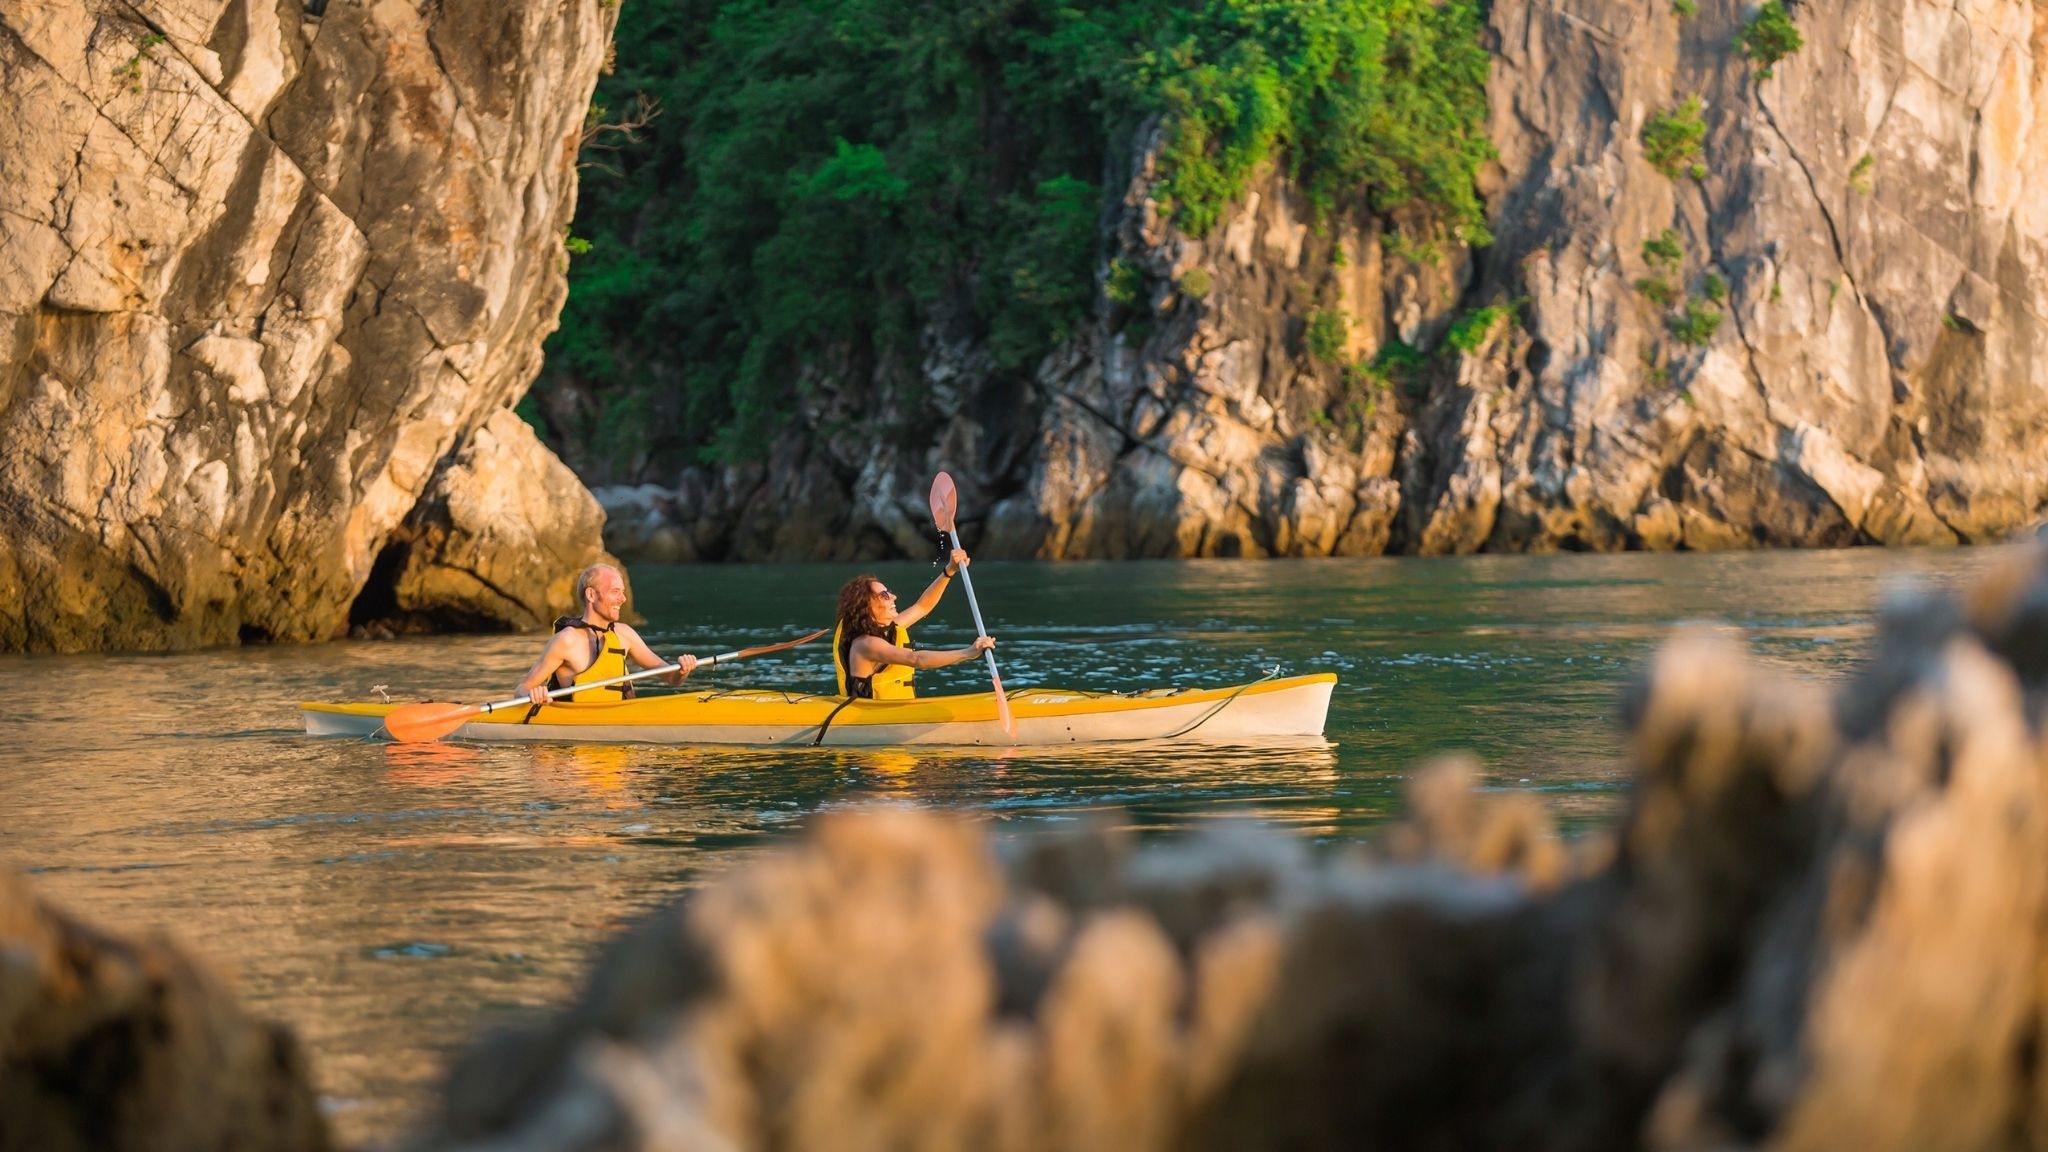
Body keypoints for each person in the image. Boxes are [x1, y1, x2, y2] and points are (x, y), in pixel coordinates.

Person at [519, 564, 697, 704]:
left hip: (621, 723)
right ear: (591, 595)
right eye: (615, 591)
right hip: (576, 733)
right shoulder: (566, 640)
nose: (623, 599)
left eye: (623, 592)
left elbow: (672, 678)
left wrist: (682, 670)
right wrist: (534, 693)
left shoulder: (624, 634)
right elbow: (522, 688)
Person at [833, 547, 994, 699]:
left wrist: (949, 571)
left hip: (892, 713)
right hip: (870, 715)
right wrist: (969, 653)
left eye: (889, 592)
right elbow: (916, 659)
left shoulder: (886, 629)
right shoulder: (866, 644)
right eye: (884, 595)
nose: (894, 597)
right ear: (866, 605)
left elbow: (922, 607)